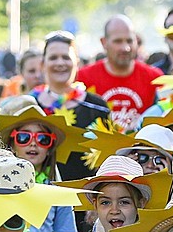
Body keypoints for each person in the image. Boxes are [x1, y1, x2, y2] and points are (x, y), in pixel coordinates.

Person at [0, 101, 88, 232]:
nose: (33, 143)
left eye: (43, 139)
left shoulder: (57, 188)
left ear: (50, 148)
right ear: (12, 145)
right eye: (24, 137)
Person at [28, 31, 112, 181]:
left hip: (85, 197)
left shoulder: (98, 107)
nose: (60, 63)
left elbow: (108, 158)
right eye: (53, 58)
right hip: (38, 195)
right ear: (43, 64)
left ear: (77, 63)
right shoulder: (30, 106)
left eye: (66, 57)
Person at [77, 15, 163, 132]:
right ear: (104, 42)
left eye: (129, 41)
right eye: (118, 41)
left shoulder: (155, 78)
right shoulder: (83, 78)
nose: (125, 48)